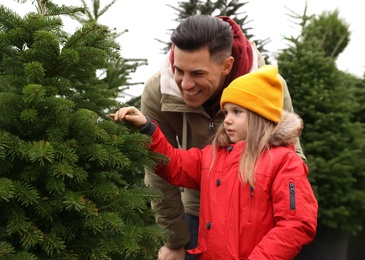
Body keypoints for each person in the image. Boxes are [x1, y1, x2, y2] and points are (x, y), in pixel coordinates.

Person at [140, 15, 307, 260]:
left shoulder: (268, 88)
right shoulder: (158, 90)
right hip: (200, 207)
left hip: (259, 218)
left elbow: (292, 160)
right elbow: (164, 167)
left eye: (197, 73)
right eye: (179, 70)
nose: (185, 84)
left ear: (226, 66)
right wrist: (174, 240)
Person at [110, 65, 318, 259]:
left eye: (237, 112)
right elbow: (175, 164)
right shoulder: (213, 156)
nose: (226, 119)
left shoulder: (284, 162)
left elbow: (297, 223)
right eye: (226, 112)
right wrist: (148, 128)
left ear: (260, 116)